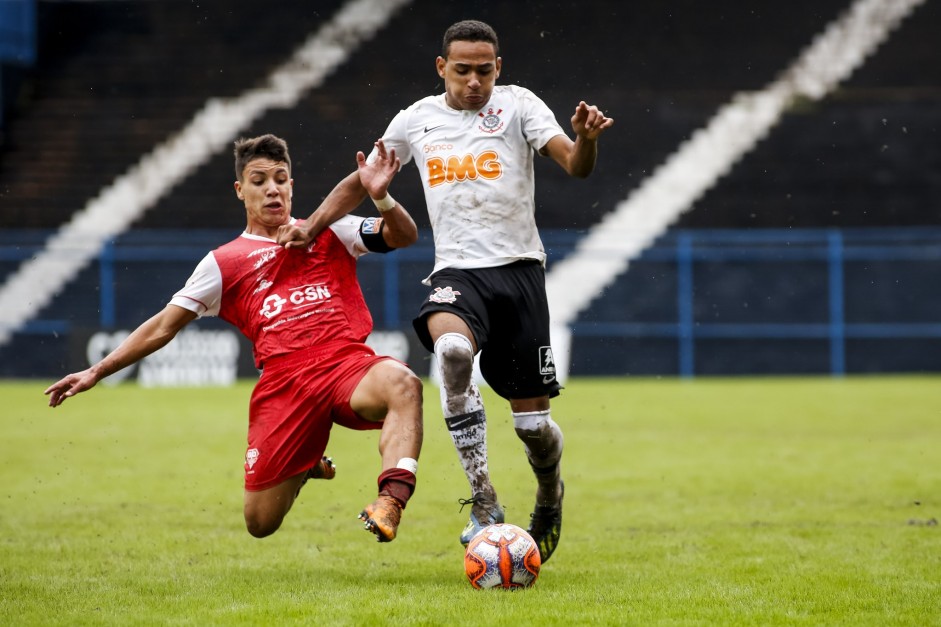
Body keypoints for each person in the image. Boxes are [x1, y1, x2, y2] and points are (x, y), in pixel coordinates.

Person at [279, 20, 613, 563]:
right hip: (458, 274)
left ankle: (550, 494)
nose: (474, 81)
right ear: (442, 68)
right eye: (462, 70)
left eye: (484, 70)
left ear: (498, 69)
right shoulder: (417, 119)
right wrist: (312, 225)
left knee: (533, 428)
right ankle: (484, 501)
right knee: (453, 353)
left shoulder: (520, 106)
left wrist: (588, 142)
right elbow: (361, 178)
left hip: (521, 272)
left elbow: (574, 166)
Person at [45, 134, 423, 544]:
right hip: (285, 385)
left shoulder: (332, 229)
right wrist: (96, 371)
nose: (272, 188)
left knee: (404, 384)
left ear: (292, 186)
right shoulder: (222, 263)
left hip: (346, 366)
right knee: (260, 524)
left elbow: (403, 235)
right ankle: (303, 462)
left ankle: (391, 499)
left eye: (281, 178)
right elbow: (162, 326)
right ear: (241, 191)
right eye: (259, 180)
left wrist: (382, 198)